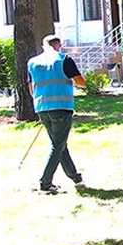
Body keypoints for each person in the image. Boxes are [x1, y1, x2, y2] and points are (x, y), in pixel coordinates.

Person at [26, 35, 86, 193]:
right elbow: (81, 82)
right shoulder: (64, 59)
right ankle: (45, 182)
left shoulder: (32, 62)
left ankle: (75, 176)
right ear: (58, 45)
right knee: (57, 145)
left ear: (43, 45)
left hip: (41, 107)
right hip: (61, 106)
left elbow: (31, 89)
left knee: (59, 143)